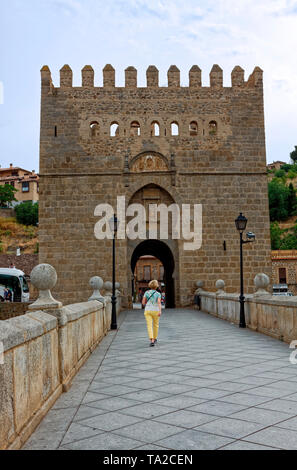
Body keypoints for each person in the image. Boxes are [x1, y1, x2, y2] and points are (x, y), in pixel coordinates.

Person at [142, 280, 162, 347]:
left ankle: (152, 340)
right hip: (155, 310)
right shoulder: (158, 294)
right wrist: (160, 311)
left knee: (149, 325)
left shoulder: (146, 292)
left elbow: (143, 303)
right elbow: (159, 303)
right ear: (156, 286)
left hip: (148, 310)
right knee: (156, 325)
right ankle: (155, 338)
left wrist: (148, 304)